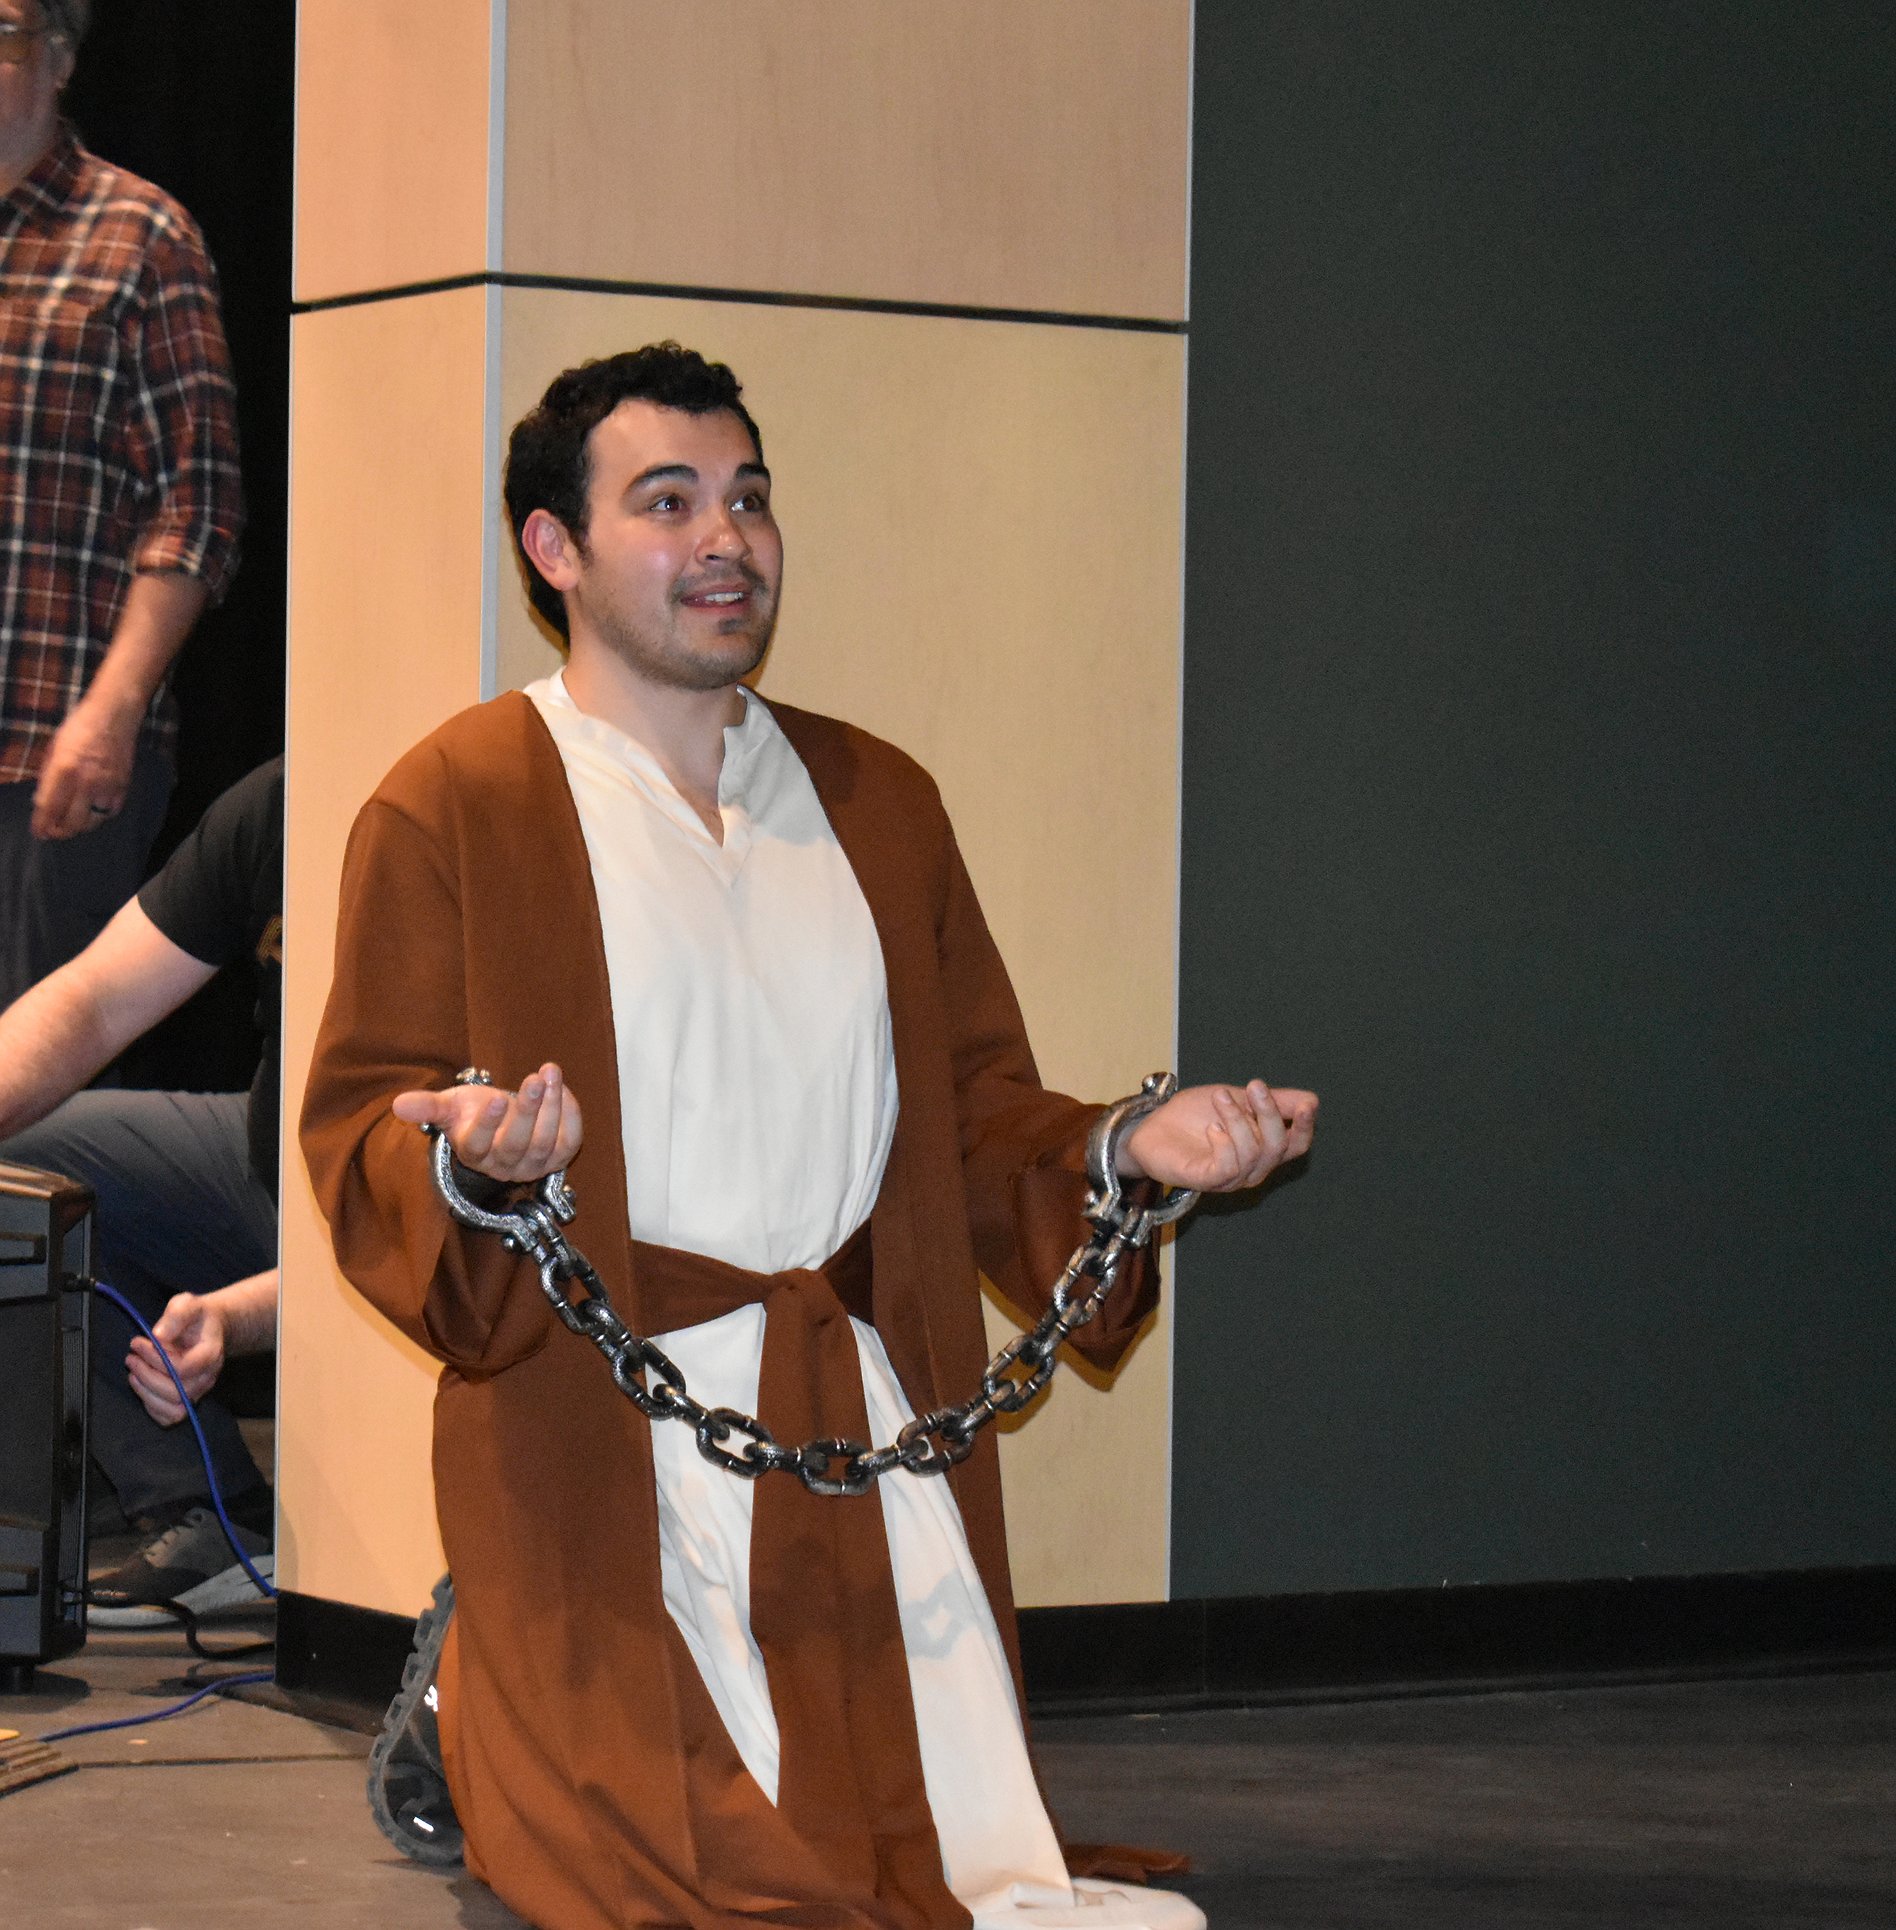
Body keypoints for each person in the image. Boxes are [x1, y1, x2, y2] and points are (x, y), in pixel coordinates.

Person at [301, 344, 1318, 1930]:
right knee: (692, 1872)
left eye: (750, 498)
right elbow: (370, 1116)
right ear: (554, 548)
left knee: (963, 1871)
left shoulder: (876, 797)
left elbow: (976, 1113)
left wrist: (1129, 1147)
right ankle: (482, 1678)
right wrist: (470, 1162)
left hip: (855, 1429)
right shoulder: (460, 802)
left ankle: (473, 1694)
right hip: (607, 1439)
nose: (728, 539)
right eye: (668, 502)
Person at [0, 0, 243, 1009]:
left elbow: (198, 508)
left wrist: (112, 710)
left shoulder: (140, 236)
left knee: (24, 1078)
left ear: (58, 58)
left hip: (51, 753)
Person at [0, 754, 282, 1622]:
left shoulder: (472, 820)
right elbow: (94, 1000)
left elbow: (445, 1212)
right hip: (272, 1161)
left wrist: (240, 1314)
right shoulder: (280, 804)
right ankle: (212, 1507)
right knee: (30, 1170)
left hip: (413, 1201)